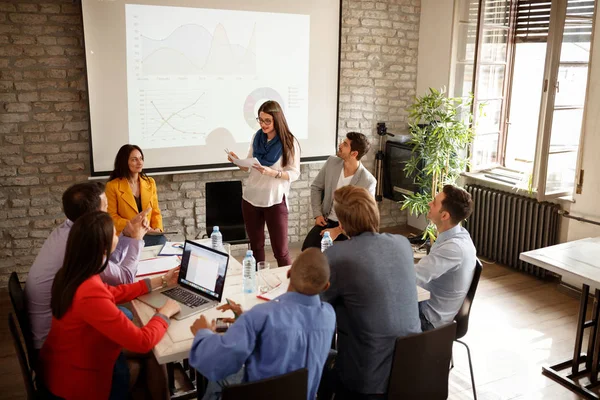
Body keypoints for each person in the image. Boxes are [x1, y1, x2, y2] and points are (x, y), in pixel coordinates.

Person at [38, 211, 181, 400]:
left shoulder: (72, 273)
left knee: (152, 355)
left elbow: (113, 293)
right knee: (152, 350)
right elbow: (141, 341)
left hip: (63, 364)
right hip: (78, 385)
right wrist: (164, 313)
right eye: (114, 234)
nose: (117, 236)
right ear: (103, 248)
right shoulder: (89, 292)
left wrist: (161, 280)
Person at [188, 248, 336, 400]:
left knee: (217, 378)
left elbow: (218, 363)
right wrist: (245, 318)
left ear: (289, 273)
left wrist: (203, 334)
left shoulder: (261, 315)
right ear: (326, 286)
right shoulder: (329, 316)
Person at [319, 186, 421, 399]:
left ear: (342, 223)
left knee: (313, 361)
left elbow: (314, 303)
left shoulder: (338, 254)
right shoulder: (402, 244)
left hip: (366, 377)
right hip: (411, 370)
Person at [25, 181, 148, 351]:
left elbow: (107, 262)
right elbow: (124, 279)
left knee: (125, 314)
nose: (109, 214)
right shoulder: (81, 244)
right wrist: (136, 239)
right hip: (54, 341)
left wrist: (127, 235)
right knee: (130, 319)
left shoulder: (70, 227)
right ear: (94, 216)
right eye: (105, 207)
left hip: (55, 320)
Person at [227, 100, 300, 267]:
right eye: (260, 119)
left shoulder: (289, 142)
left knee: (281, 251)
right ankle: (257, 284)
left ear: (277, 119)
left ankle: (289, 286)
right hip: (251, 198)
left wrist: (273, 173)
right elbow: (249, 167)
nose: (263, 124)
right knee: (256, 247)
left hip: (274, 200)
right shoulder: (257, 137)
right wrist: (237, 161)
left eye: (268, 120)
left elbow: (295, 173)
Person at [416, 185, 477, 332]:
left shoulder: (453, 248)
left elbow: (413, 276)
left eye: (435, 203)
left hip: (428, 320)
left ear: (444, 216)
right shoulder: (458, 234)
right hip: (428, 307)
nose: (430, 204)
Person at [302, 132, 376, 250]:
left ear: (354, 153)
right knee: (307, 249)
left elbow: (363, 218)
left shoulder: (368, 181)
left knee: (340, 258)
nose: (340, 145)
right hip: (327, 221)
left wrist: (338, 231)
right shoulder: (332, 163)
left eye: (345, 144)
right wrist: (318, 214)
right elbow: (316, 187)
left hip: (351, 228)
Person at [105, 144, 165, 247]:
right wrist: (133, 224)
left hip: (148, 233)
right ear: (124, 162)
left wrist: (157, 228)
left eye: (141, 158)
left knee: (162, 241)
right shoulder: (112, 186)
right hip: (126, 235)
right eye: (134, 159)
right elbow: (111, 217)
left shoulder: (150, 182)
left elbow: (155, 211)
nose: (139, 162)